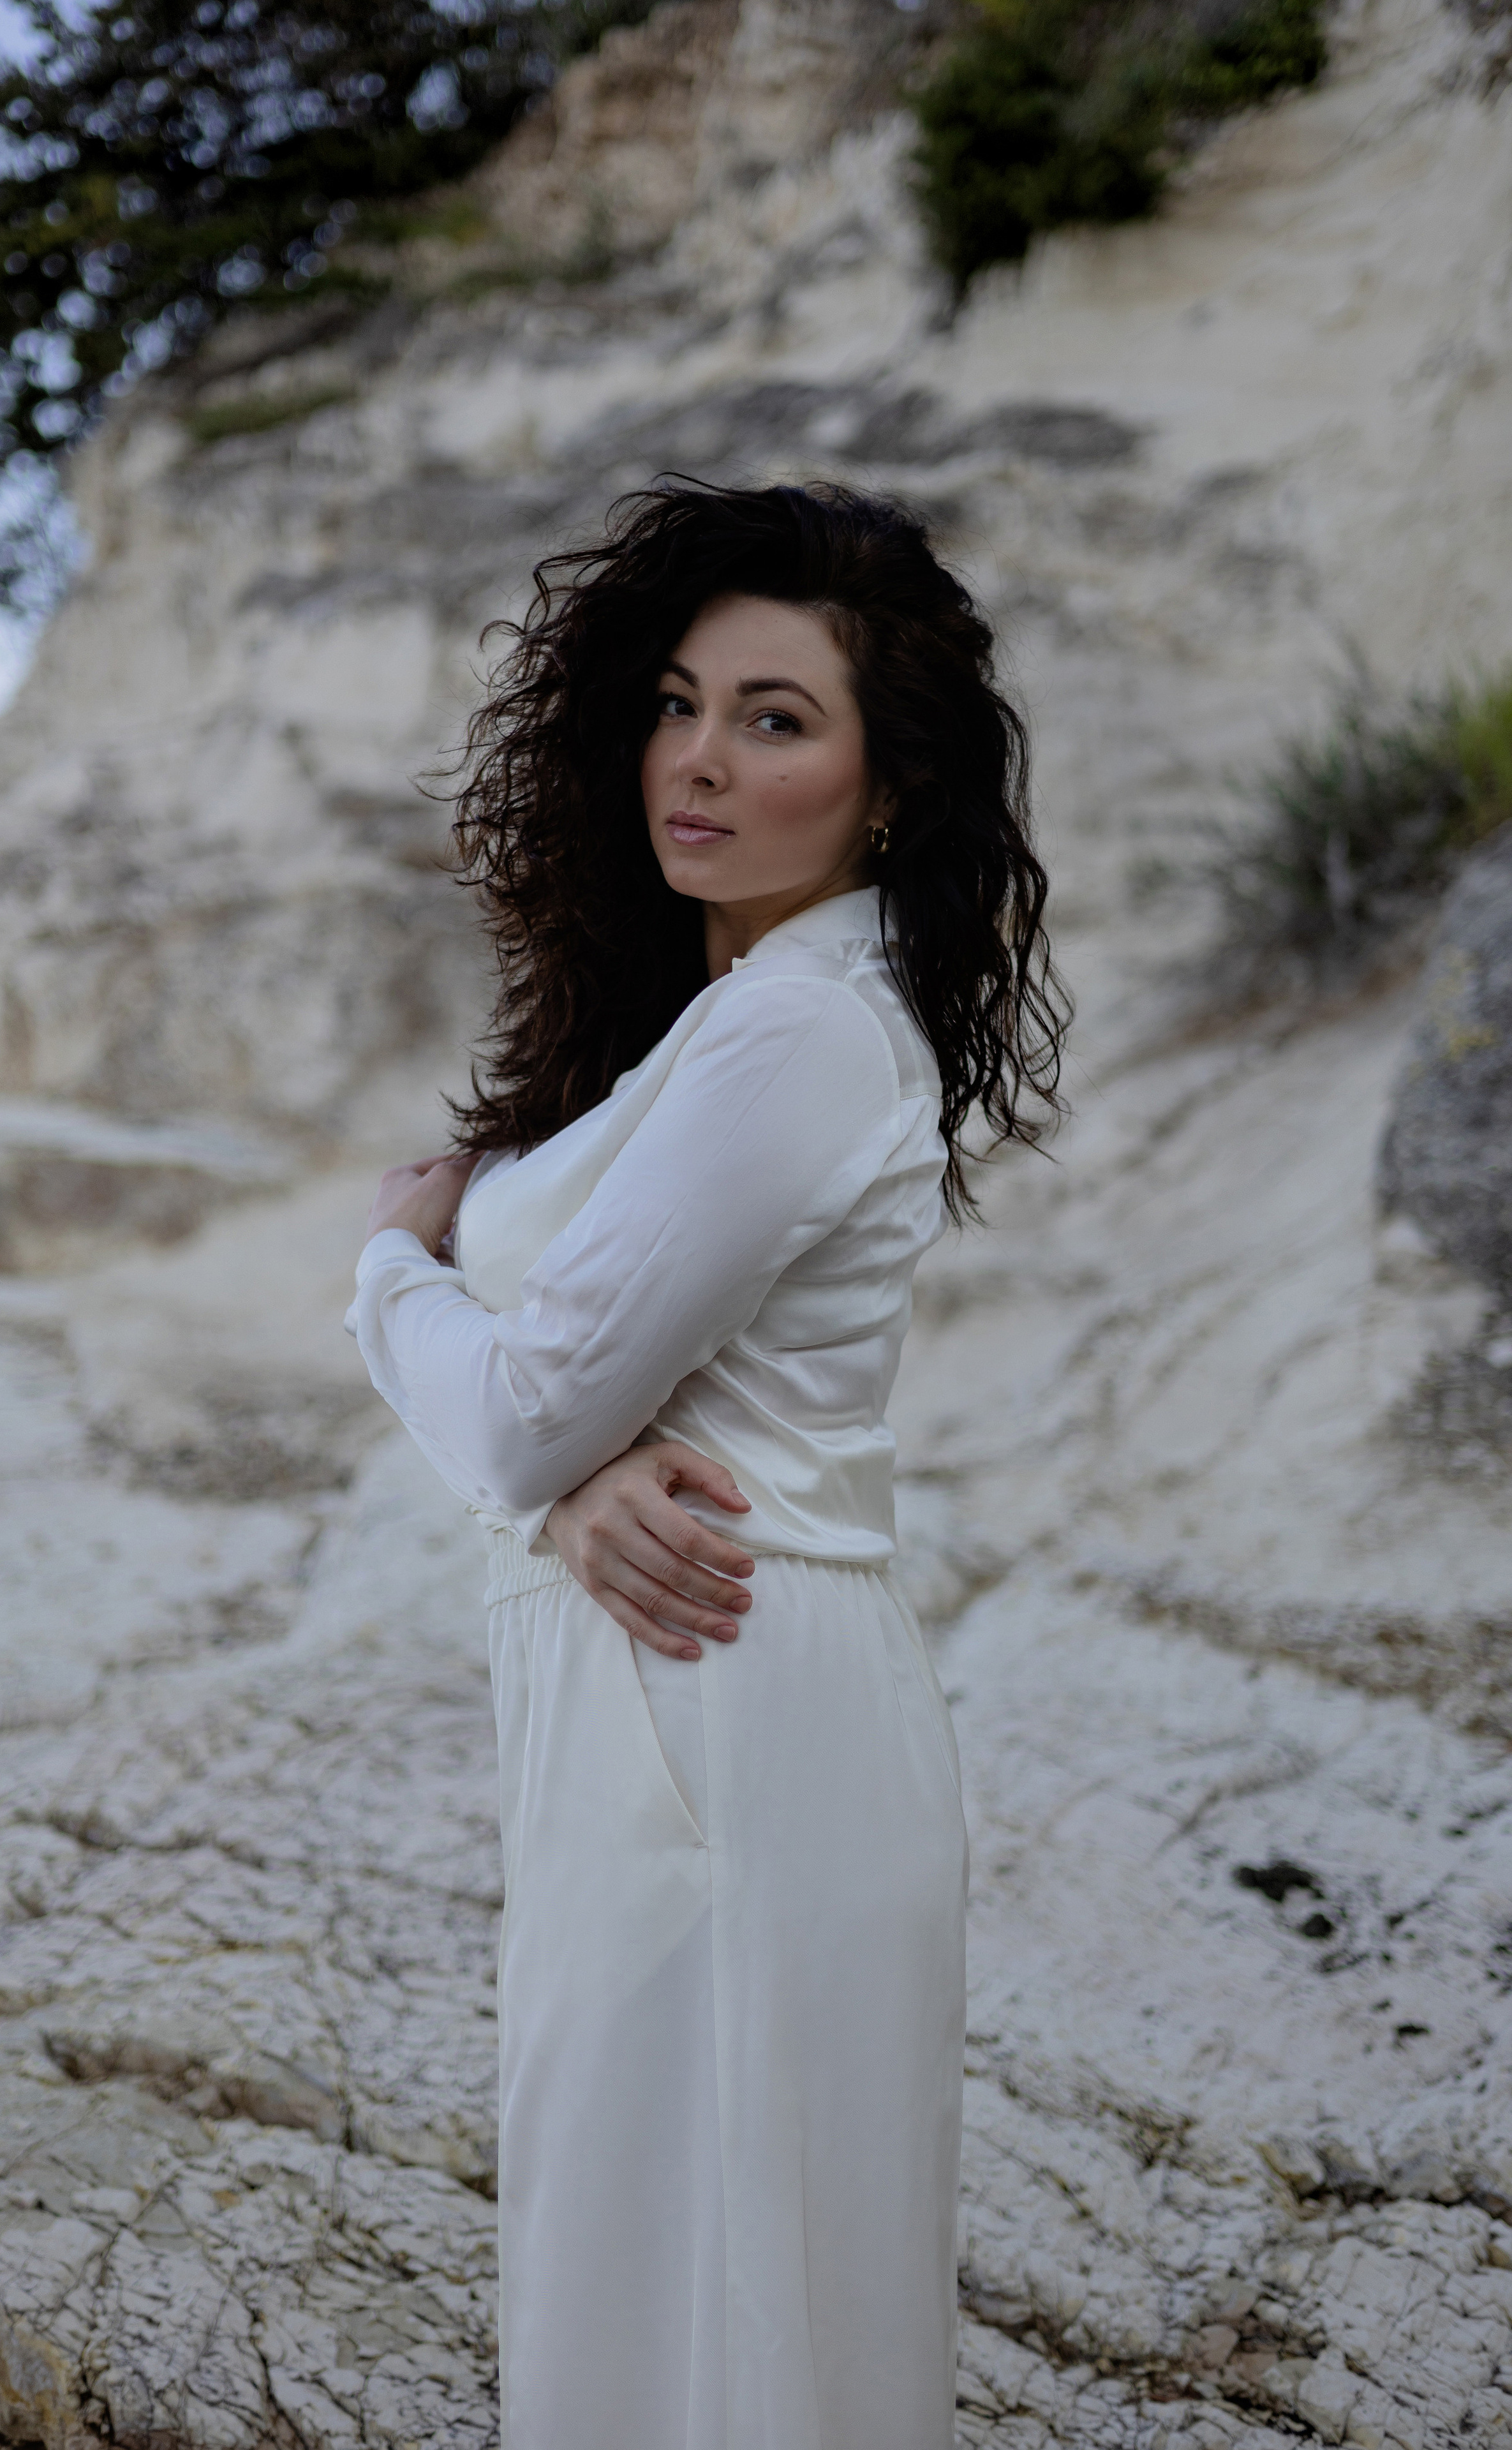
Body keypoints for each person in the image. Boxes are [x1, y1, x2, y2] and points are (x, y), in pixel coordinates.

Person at [348, 480, 1067, 2450]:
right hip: (676, 1684)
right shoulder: (728, 1017)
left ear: (889, 785)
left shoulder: (801, 1037)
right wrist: (566, 1483)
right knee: (653, 2261)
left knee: (716, 2298)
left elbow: (511, 1403)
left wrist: (388, 1265)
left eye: (775, 717)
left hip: (733, 1710)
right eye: (679, 701)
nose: (700, 758)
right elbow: (555, 1429)